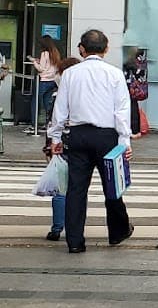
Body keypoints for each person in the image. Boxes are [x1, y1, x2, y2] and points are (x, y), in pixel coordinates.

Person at [48, 28, 133, 254]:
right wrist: (125, 142)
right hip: (107, 136)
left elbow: (60, 109)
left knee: (76, 189)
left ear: (81, 49)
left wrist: (55, 137)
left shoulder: (70, 74)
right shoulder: (115, 74)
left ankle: (75, 241)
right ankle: (117, 232)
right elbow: (122, 111)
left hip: (77, 136)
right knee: (112, 187)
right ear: (106, 49)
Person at [43, 57, 79, 241]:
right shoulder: (84, 95)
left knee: (60, 189)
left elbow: (51, 123)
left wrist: (49, 146)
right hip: (80, 144)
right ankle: (75, 228)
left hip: (60, 146)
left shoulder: (57, 96)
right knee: (78, 188)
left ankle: (57, 228)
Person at [29, 35, 62, 120]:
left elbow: (41, 68)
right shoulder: (55, 53)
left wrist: (34, 62)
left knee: (35, 102)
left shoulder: (44, 53)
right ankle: (49, 122)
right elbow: (50, 66)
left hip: (44, 80)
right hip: (52, 81)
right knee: (47, 103)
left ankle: (34, 124)